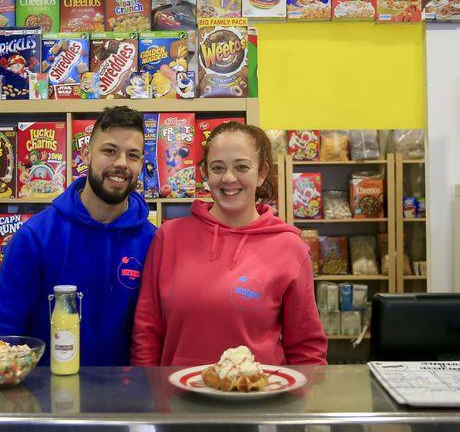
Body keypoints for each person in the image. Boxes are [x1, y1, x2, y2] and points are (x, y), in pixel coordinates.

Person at [131, 122, 327, 366]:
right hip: (175, 390)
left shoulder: (290, 248)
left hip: (258, 390)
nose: (229, 178)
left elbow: (306, 349)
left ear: (262, 173)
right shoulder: (169, 238)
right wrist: (145, 386)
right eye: (218, 168)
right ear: (205, 172)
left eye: (242, 167)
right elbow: (147, 332)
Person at [0, 106, 156, 366]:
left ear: (141, 163)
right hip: (46, 389)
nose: (121, 163)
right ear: (86, 154)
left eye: (132, 155)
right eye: (109, 151)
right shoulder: (35, 237)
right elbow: (4, 336)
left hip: (129, 389)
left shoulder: (153, 242)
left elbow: (156, 334)